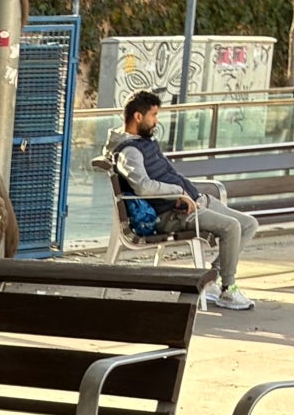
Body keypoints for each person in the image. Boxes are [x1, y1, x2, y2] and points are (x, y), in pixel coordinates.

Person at [108, 90, 257, 310]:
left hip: (193, 201)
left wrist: (186, 192)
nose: (156, 122)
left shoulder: (145, 141)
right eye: (153, 115)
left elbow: (169, 174)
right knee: (231, 226)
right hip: (171, 213)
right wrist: (178, 191)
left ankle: (212, 278)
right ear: (138, 117)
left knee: (249, 224)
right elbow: (143, 186)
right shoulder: (129, 151)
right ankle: (228, 289)